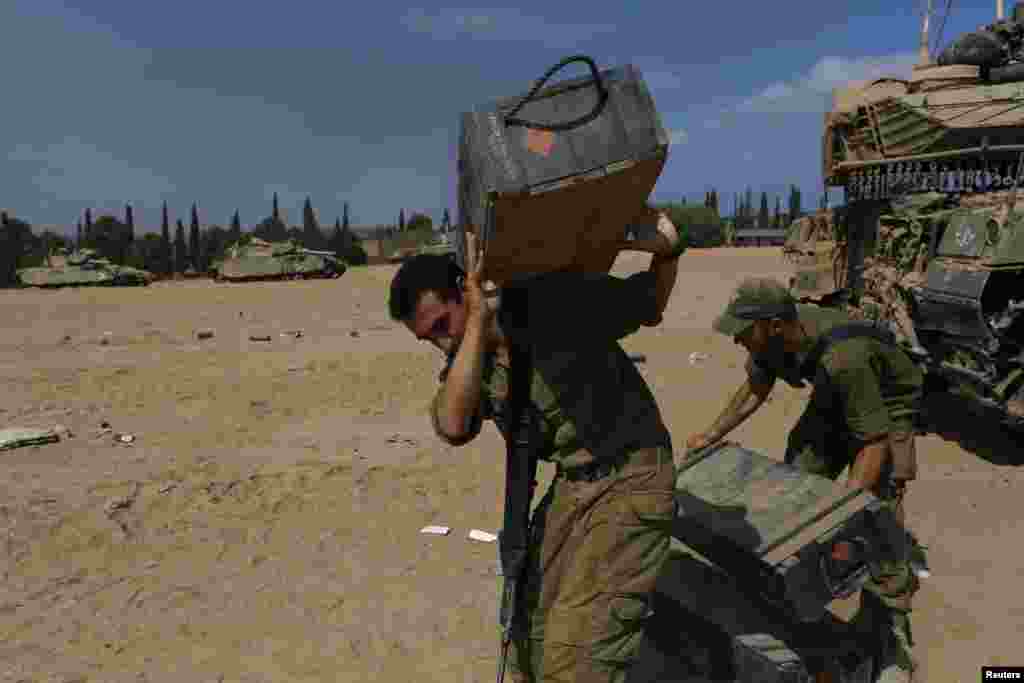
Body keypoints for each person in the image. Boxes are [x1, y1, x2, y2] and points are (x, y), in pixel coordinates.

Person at [388, 214, 685, 682]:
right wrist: (473, 331)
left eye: (444, 324)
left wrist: (667, 251)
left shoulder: (553, 304)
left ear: (465, 292)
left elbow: (648, 302)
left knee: (576, 659)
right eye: (430, 338)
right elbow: (451, 424)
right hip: (575, 485)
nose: (441, 344)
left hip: (633, 477)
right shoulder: (472, 365)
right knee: (527, 633)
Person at [686, 277, 924, 683]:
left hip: (886, 401)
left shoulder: (843, 357)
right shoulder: (772, 342)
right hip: (837, 394)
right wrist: (711, 435)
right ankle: (793, 582)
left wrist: (842, 514)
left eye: (744, 331)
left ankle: (892, 635)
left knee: (874, 518)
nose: (737, 340)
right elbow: (754, 388)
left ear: (775, 324)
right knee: (799, 475)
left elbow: (873, 440)